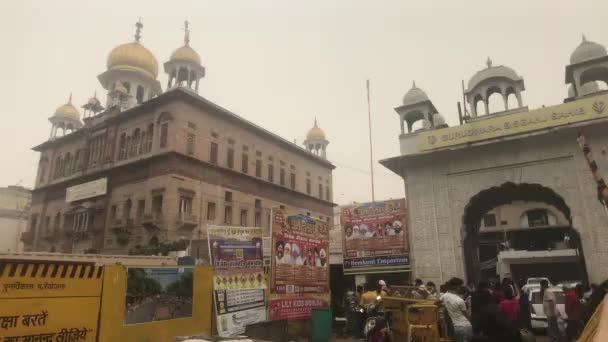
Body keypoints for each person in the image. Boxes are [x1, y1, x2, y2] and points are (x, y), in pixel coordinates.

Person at [441, 277, 473, 342]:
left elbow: (436, 302)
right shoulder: (460, 300)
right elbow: (468, 316)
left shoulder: (444, 296)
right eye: (461, 286)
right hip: (466, 326)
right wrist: (470, 305)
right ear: (457, 287)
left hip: (456, 327)